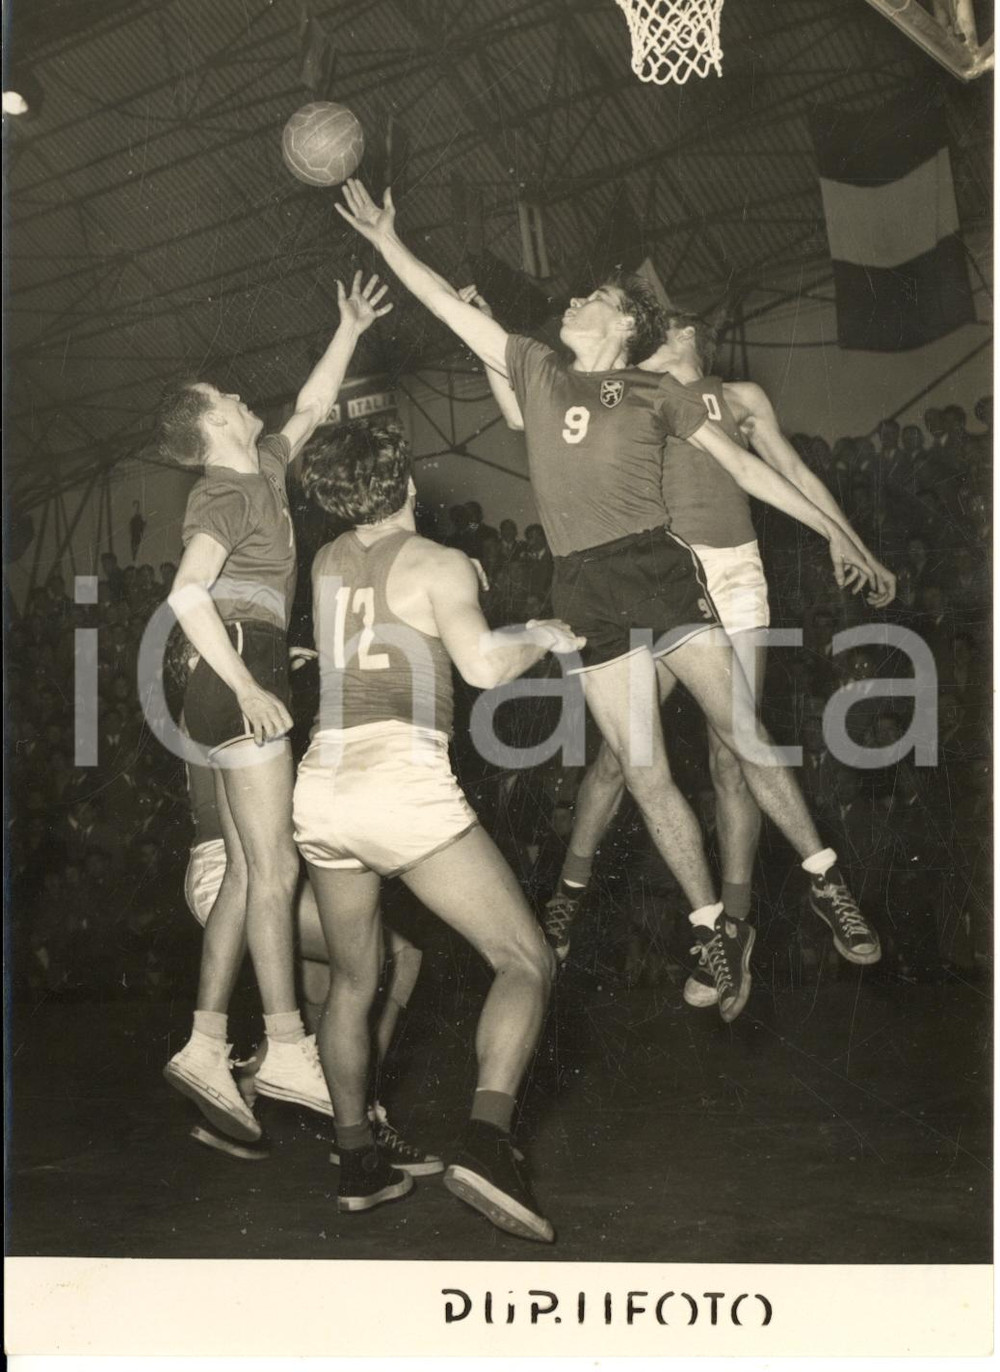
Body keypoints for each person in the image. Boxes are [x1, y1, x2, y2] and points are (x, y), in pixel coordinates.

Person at [335, 178, 882, 1024]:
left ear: (625, 324)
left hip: (659, 571)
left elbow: (747, 472)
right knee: (644, 769)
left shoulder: (661, 393)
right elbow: (446, 308)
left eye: (592, 296)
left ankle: (825, 879)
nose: (575, 299)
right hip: (583, 586)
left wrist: (836, 534)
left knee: (743, 733)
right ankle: (711, 927)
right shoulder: (536, 365)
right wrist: (386, 242)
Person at [537, 311, 895, 1001]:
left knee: (735, 753)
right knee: (620, 758)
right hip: (666, 575)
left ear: (692, 334)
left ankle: (733, 928)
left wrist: (849, 541)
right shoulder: (630, 391)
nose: (661, 338)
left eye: (670, 328)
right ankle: (568, 890)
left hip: (735, 572)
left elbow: (790, 474)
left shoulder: (741, 399)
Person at [293, 417, 580, 1238]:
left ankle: (356, 1161)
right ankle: (488, 1141)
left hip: (323, 784)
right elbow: (484, 667)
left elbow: (383, 608)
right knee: (525, 957)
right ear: (408, 481)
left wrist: (455, 586)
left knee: (354, 981)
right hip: (397, 777)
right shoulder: (438, 562)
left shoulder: (325, 560)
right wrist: (542, 633)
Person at [155, 271, 392, 1144]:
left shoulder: (259, 467)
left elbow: (311, 403)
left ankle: (209, 1043)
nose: (242, 394)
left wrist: (350, 330)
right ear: (210, 419)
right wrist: (252, 682)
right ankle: (287, 1046)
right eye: (226, 395)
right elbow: (187, 595)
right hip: (236, 662)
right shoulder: (222, 493)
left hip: (230, 667)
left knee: (254, 872)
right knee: (274, 869)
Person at [182, 758, 440, 1174]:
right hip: (242, 872)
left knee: (328, 991)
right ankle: (362, 1121)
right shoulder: (250, 700)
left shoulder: (211, 699)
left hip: (236, 868)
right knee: (395, 957)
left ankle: (248, 1088)